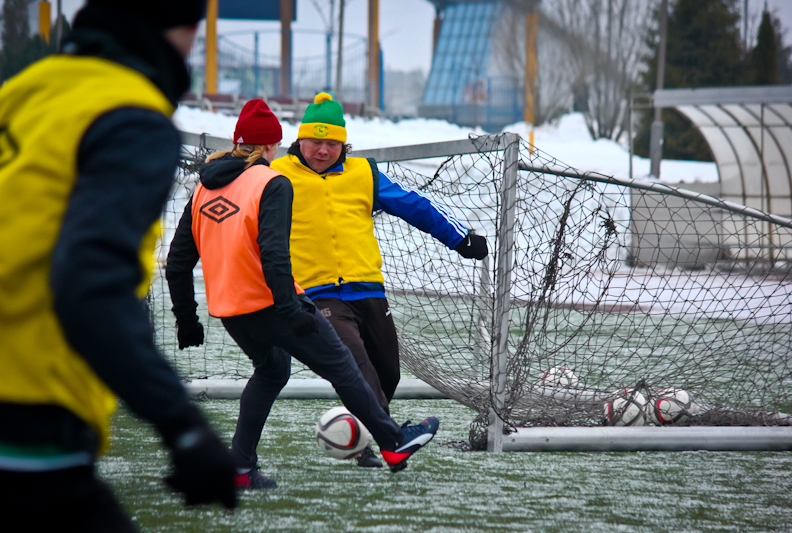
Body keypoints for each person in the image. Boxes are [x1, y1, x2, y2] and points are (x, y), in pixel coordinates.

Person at [0, 1, 239, 529]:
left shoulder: (23, 91)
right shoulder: (130, 116)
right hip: (26, 407)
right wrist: (181, 424)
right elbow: (89, 284)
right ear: (182, 29)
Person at [165, 98, 440, 487]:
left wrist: (187, 320)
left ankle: (240, 467)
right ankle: (394, 442)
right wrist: (292, 309)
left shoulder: (203, 189)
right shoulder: (271, 182)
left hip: (230, 311)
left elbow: (177, 263)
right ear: (272, 145)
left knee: (271, 371)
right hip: (274, 304)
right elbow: (275, 255)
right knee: (343, 367)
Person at [270, 93, 488, 467]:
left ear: (343, 145)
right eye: (315, 142)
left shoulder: (364, 173)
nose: (322, 150)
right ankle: (394, 442)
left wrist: (459, 238)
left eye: (332, 143)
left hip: (369, 289)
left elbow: (414, 204)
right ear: (300, 140)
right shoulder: (277, 175)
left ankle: (362, 443)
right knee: (356, 365)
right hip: (318, 295)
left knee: (388, 372)